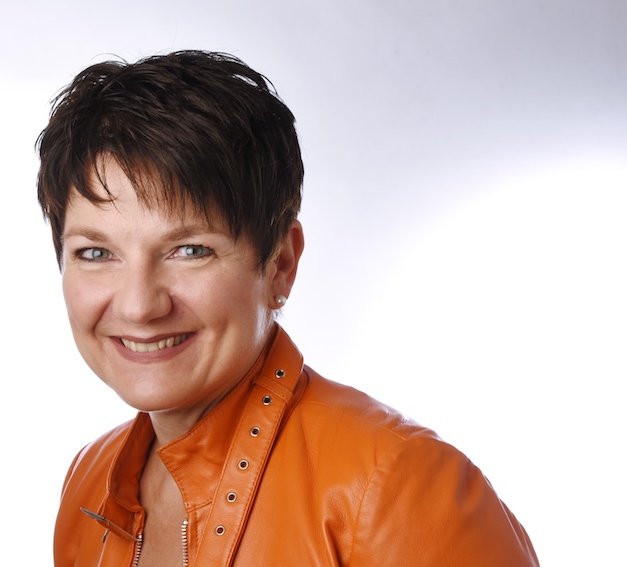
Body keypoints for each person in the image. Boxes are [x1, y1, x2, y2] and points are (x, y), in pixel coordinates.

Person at [36, 50, 539, 566]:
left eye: (190, 250)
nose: (139, 305)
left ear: (280, 265)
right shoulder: (89, 481)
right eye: (95, 253)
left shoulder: (399, 488)